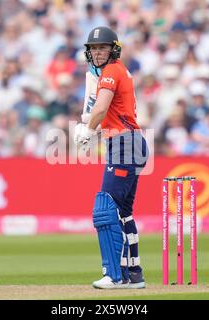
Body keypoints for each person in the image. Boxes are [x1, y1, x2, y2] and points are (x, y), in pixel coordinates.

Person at [74, 27, 148, 289]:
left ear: (113, 49)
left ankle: (114, 275)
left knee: (104, 209)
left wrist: (87, 129)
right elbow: (106, 111)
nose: (96, 52)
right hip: (129, 142)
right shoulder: (114, 71)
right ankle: (133, 275)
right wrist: (92, 122)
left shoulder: (112, 71)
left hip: (124, 143)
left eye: (102, 47)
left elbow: (102, 106)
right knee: (123, 214)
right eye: (93, 48)